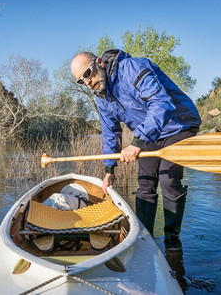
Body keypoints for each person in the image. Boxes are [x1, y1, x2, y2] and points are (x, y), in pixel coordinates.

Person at [70, 49, 202, 250]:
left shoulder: (133, 68)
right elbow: (110, 134)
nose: (87, 82)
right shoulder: (101, 98)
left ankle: (172, 240)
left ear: (99, 63)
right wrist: (109, 170)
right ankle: (145, 238)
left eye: (87, 74)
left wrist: (137, 142)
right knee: (145, 183)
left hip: (179, 125)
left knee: (168, 180)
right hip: (151, 133)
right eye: (81, 81)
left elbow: (161, 104)